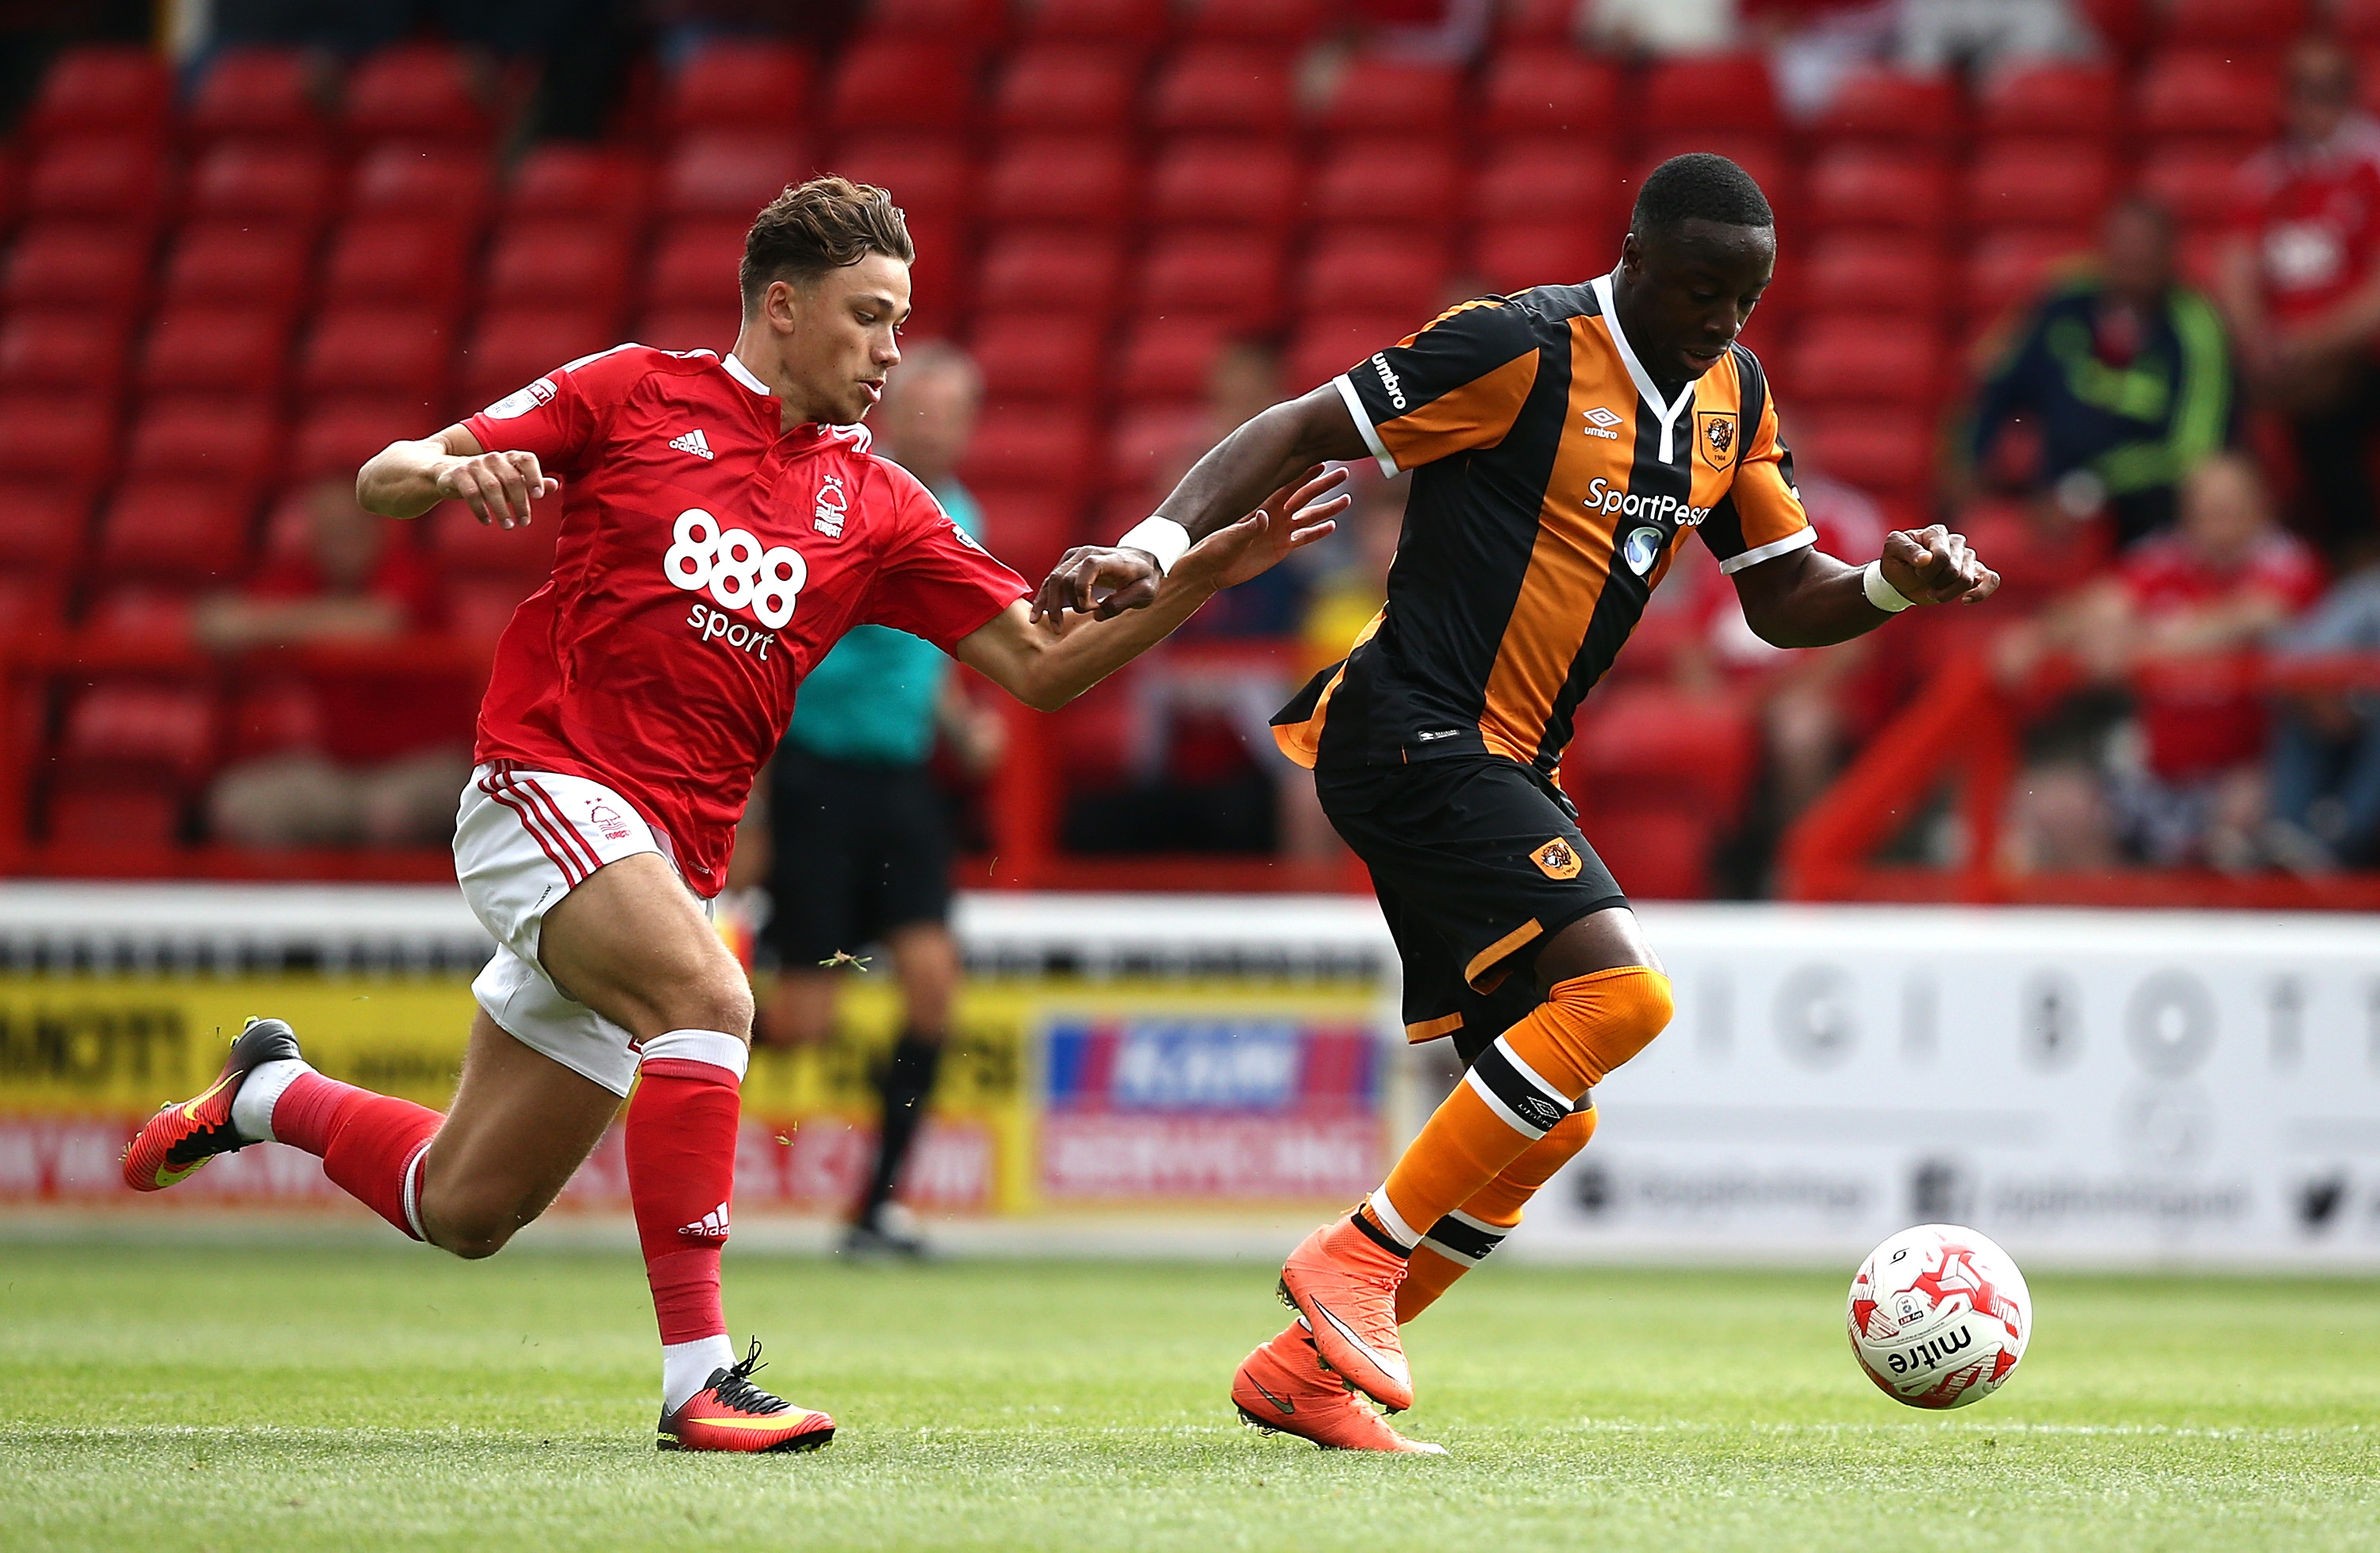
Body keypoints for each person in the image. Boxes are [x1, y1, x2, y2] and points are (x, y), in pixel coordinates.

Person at [120, 176, 1346, 1453]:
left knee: (465, 1205)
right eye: (868, 318)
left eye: (899, 324)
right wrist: (444, 470)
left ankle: (267, 1091)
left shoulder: (880, 506)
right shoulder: (633, 390)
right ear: (780, 304)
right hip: (545, 785)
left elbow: (1042, 664)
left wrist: (1199, 575)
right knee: (711, 1000)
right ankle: (700, 1379)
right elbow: (388, 476)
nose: (888, 352)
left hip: (664, 856)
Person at [1035, 153, 2000, 1454]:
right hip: (1408, 726)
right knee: (1622, 997)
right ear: (1639, 259)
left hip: (1501, 757)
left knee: (1554, 1104)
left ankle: (1302, 1374)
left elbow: (1780, 593)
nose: (1726, 319)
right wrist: (1147, 549)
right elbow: (1298, 425)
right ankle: (1355, 1260)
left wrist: (1885, 585)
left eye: (1749, 297)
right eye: (1705, 289)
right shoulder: (1520, 345)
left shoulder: (1732, 396)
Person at [750, 340, 1004, 1257]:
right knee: (797, 1024)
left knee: (934, 985)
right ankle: (651, 1030)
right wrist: (756, 802)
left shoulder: (958, 509)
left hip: (902, 785)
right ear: (896, 411)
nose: (941, 424)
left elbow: (922, 636)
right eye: (926, 405)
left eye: (957, 408)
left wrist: (958, 716)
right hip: (818, 778)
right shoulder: (839, 496)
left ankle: (876, 1207)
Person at [1999, 453, 2324, 871]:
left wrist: (2137, 648)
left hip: (2247, 775)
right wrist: (2036, 638)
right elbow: (2100, 605)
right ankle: (2119, 925)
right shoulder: (2168, 558)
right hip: (2157, 776)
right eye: (2205, 509)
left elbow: (2255, 614)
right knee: (2052, 806)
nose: (2216, 522)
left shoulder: (2288, 560)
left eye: (2229, 508)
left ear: (2261, 507)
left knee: (2245, 813)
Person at [199, 478, 474, 849]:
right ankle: (297, 906)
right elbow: (215, 622)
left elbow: (377, 624)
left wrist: (266, 624)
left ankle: (384, 908)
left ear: (378, 526)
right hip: (339, 766)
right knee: (241, 802)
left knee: (389, 813)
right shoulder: (304, 578)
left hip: (427, 763)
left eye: (350, 527)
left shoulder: (409, 570)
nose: (340, 540)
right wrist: (273, 621)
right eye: (328, 530)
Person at [1967, 197, 2240, 550]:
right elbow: (1998, 383)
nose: (2134, 258)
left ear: (2171, 253)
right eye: (2124, 244)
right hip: (2051, 489)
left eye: (2146, 246)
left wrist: (2088, 490)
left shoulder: (2196, 326)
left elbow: (2195, 449)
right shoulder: (2063, 300)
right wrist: (1974, 457)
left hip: (2154, 508)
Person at [2217, 36, 2380, 562]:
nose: (2316, 103)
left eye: (2329, 89)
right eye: (2305, 90)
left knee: (2331, 404)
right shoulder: (2265, 176)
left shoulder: (2372, 166)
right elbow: (2236, 268)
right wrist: (2258, 340)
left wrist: (2309, 344)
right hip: (2285, 362)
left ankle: (2350, 547)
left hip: (2355, 356)